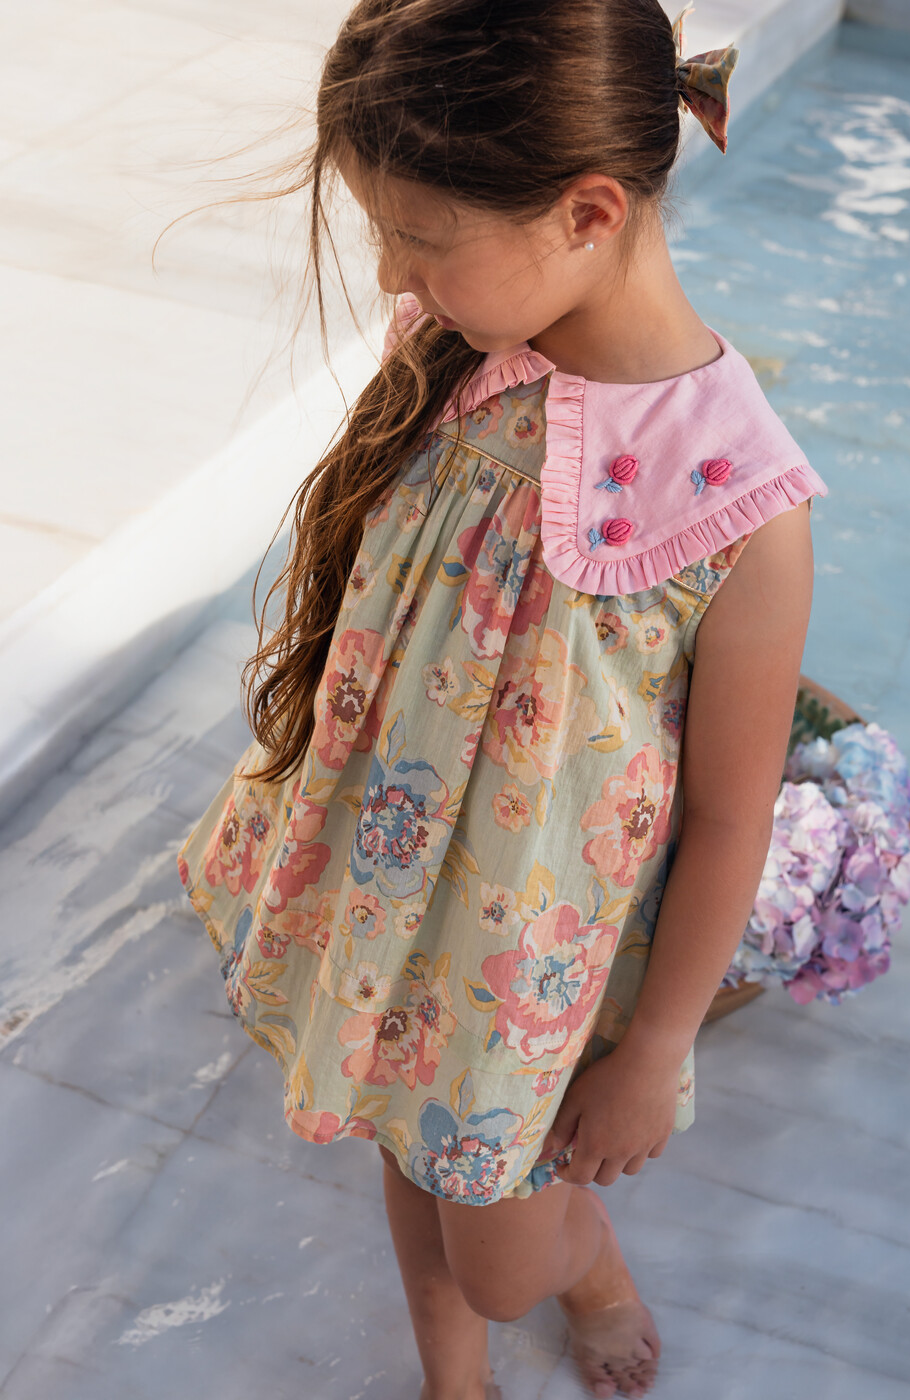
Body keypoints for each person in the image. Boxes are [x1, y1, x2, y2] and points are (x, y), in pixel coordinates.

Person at [175, 2, 829, 1395]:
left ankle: (585, 1274)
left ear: (588, 211)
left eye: (418, 237)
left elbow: (733, 814)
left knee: (506, 1258)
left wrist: (655, 1050)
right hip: (396, 899)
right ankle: (455, 1379)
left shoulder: (743, 511)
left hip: (526, 971)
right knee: (402, 1135)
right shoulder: (464, 353)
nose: (392, 276)